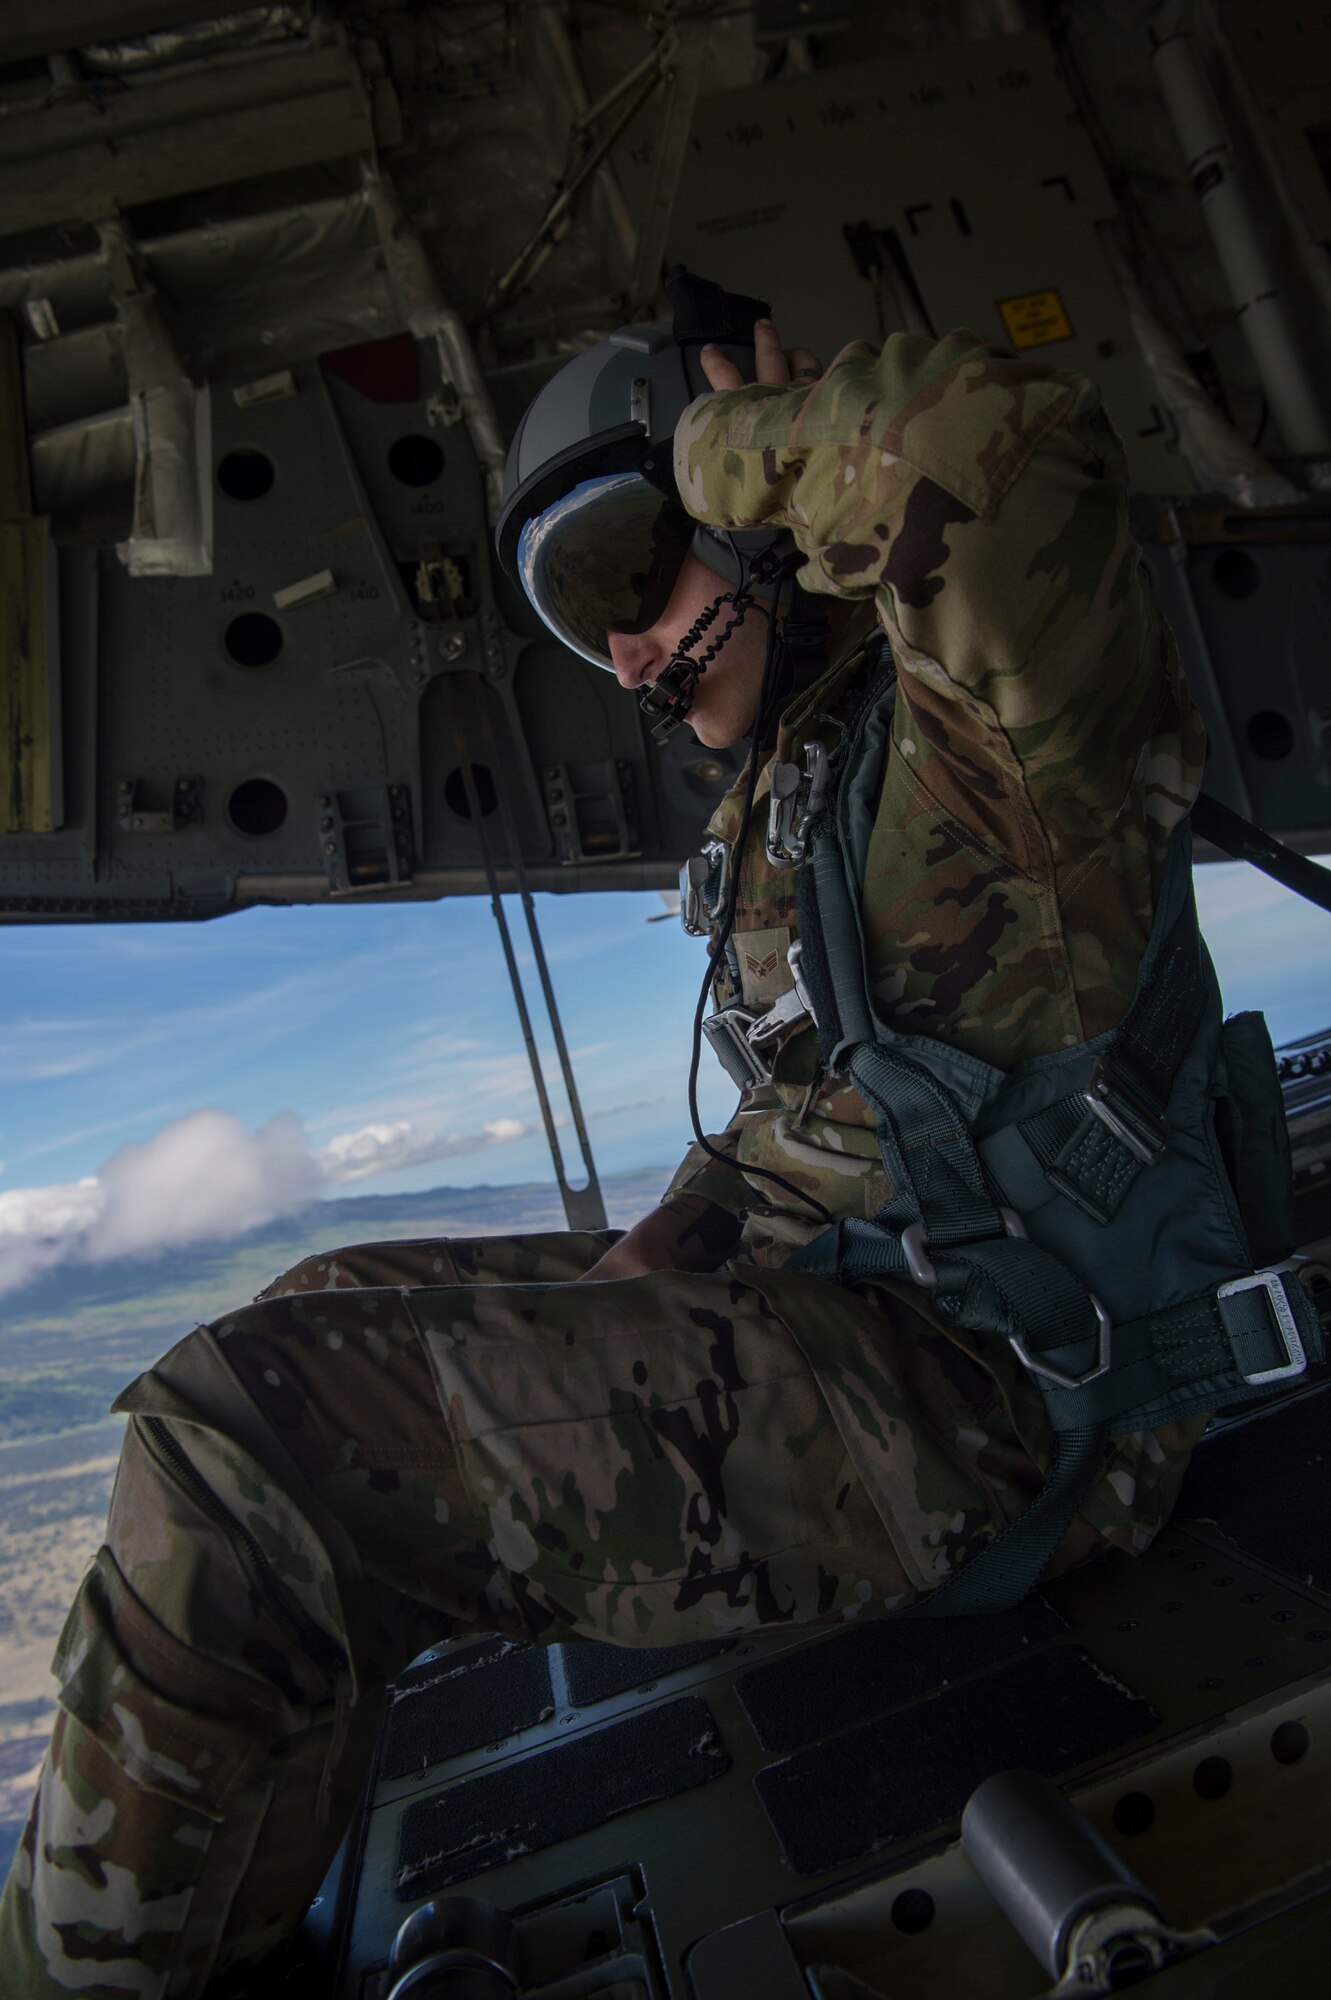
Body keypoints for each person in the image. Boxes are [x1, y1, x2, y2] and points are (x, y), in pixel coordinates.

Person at [0, 308, 1220, 1997]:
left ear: (761, 529)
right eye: (583, 632)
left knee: (240, 1447)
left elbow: (999, 455)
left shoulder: (989, 747)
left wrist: (734, 446)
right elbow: (826, 1121)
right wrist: (683, 1230)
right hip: (872, 1313)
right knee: (322, 1302)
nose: (627, 656)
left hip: (1018, 1398)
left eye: (625, 577)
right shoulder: (811, 791)